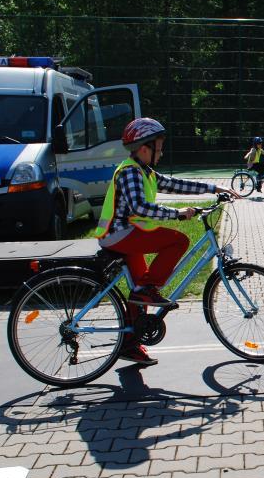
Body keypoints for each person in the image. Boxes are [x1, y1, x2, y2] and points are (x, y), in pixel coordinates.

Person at [97, 117, 236, 366]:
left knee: (139, 291)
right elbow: (140, 207)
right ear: (143, 149)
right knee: (177, 241)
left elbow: (175, 184)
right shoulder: (130, 172)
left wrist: (213, 188)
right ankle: (149, 290)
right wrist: (177, 213)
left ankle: (130, 344)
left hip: (127, 234)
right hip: (118, 235)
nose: (161, 153)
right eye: (158, 148)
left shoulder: (144, 171)